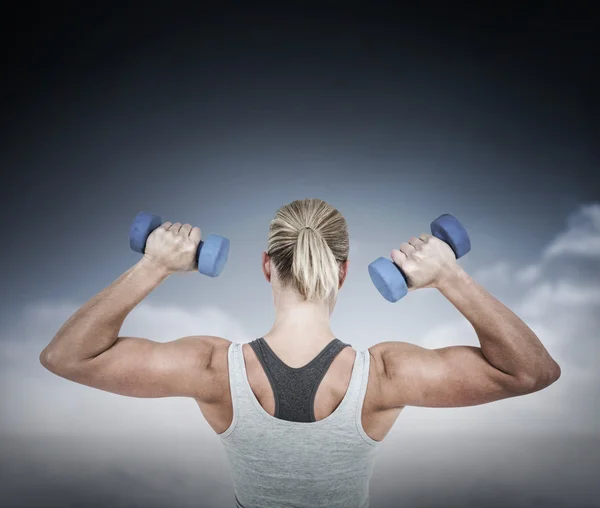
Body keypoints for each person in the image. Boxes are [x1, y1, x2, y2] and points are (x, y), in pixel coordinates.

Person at [40, 198, 561, 508]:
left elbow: (67, 357)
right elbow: (532, 372)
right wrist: (450, 276)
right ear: (345, 270)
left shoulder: (213, 369)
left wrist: (153, 265)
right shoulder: (383, 375)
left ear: (267, 266)